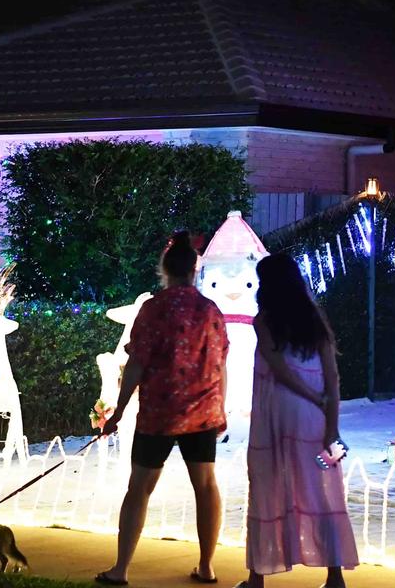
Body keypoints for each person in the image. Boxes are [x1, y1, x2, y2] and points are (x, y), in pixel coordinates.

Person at [97, 232, 229, 586]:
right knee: (206, 488)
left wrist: (120, 410)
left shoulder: (153, 309)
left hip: (158, 414)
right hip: (201, 413)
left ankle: (121, 569)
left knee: (138, 489)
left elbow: (136, 364)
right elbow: (220, 365)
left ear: (164, 270)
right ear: (195, 270)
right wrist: (220, 409)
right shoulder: (210, 311)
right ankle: (206, 566)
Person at [238, 253, 358, 588]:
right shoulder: (314, 320)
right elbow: (332, 378)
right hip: (314, 421)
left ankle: (257, 576)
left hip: (276, 416)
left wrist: (308, 396)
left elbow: (278, 369)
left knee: (266, 486)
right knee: (322, 488)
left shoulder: (264, 321)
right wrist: (330, 424)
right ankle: (334, 576)